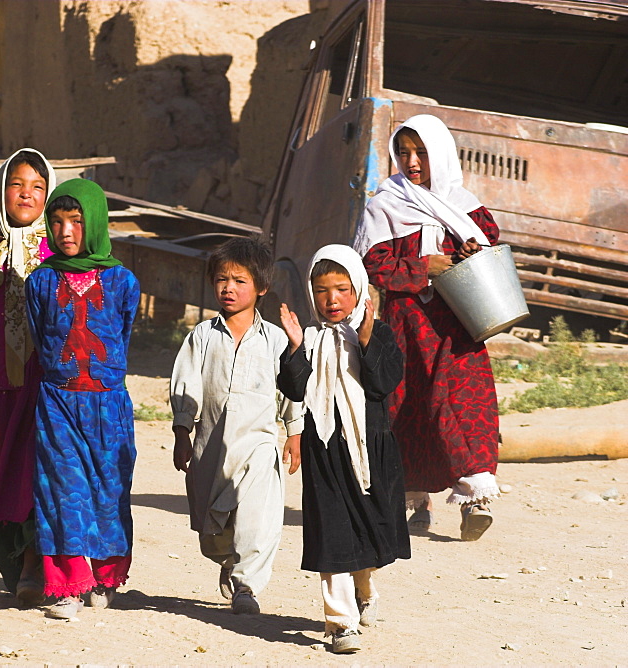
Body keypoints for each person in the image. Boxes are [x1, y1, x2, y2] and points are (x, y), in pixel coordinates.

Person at [353, 114, 501, 540]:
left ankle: (475, 497)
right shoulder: (385, 204)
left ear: (441, 153)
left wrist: (470, 248)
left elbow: (489, 248)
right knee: (411, 407)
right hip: (408, 327)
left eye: (421, 152)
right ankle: (417, 498)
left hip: (458, 326)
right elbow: (371, 266)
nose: (412, 162)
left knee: (466, 405)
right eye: (403, 152)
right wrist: (424, 266)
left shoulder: (465, 204)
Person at [277, 244, 410, 654]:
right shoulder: (311, 339)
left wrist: (367, 338)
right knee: (332, 532)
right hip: (324, 452)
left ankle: (363, 588)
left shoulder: (379, 333)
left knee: (369, 531)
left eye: (341, 289)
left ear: (360, 291)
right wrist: (297, 346)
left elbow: (383, 383)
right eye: (321, 290)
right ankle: (340, 623)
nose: (331, 299)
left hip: (370, 451)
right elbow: (294, 389)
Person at [24, 178, 140, 619]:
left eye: (76, 221)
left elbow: (123, 334)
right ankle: (68, 585)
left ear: (94, 224)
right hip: (57, 401)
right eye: (56, 222)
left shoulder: (124, 281)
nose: (65, 231)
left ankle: (107, 575)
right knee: (62, 490)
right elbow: (39, 335)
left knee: (110, 489)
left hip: (109, 404)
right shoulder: (40, 281)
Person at [170, 235, 301, 615]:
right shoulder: (201, 337)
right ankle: (229, 562)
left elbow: (292, 389)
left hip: (258, 444)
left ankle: (247, 585)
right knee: (213, 532)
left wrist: (294, 433)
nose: (229, 288)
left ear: (262, 287)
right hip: (210, 446)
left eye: (240, 280)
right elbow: (185, 385)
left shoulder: (276, 339)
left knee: (259, 512)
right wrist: (182, 434)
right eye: (222, 279)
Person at [0, 148, 56, 604]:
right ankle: (12, 565)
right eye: (17, 184)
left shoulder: (57, 250)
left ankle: (34, 565)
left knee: (36, 476)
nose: (26, 194)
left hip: (43, 387)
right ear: (2, 191)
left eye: (37, 187)